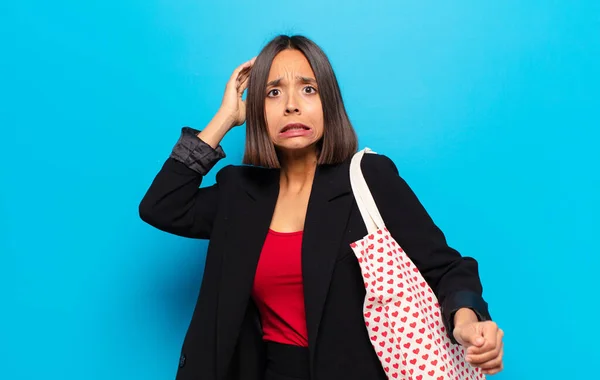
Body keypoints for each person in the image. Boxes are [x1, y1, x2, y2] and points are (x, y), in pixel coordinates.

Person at [139, 35, 504, 380]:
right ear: (257, 109)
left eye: (308, 89)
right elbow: (161, 206)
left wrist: (467, 322)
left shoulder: (367, 179)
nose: (292, 104)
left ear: (328, 102)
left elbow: (447, 268)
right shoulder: (240, 193)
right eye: (273, 92)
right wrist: (225, 118)